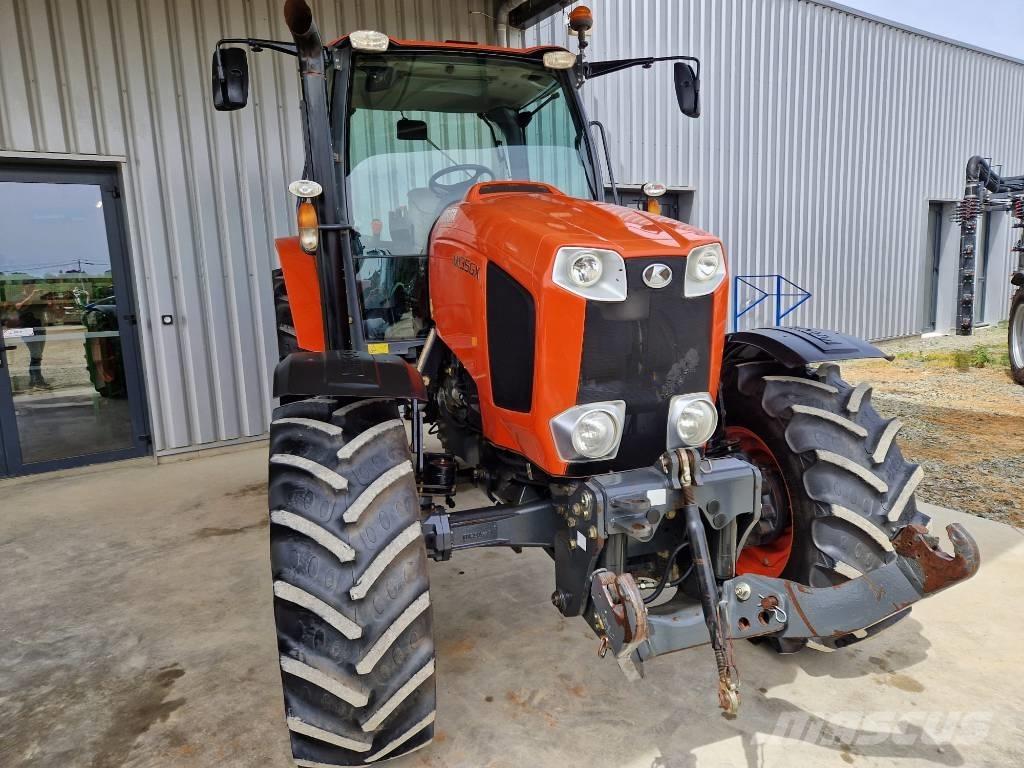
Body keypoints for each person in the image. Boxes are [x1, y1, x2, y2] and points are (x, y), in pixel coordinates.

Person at [14, 281, 49, 389]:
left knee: (37, 356)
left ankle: (33, 380)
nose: (33, 287)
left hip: (40, 329)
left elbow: (47, 309)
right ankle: (38, 381)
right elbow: (19, 306)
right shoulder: (19, 297)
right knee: (36, 355)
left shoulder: (37, 298)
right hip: (27, 330)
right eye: (30, 285)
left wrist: (47, 299)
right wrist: (32, 296)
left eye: (34, 285)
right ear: (24, 286)